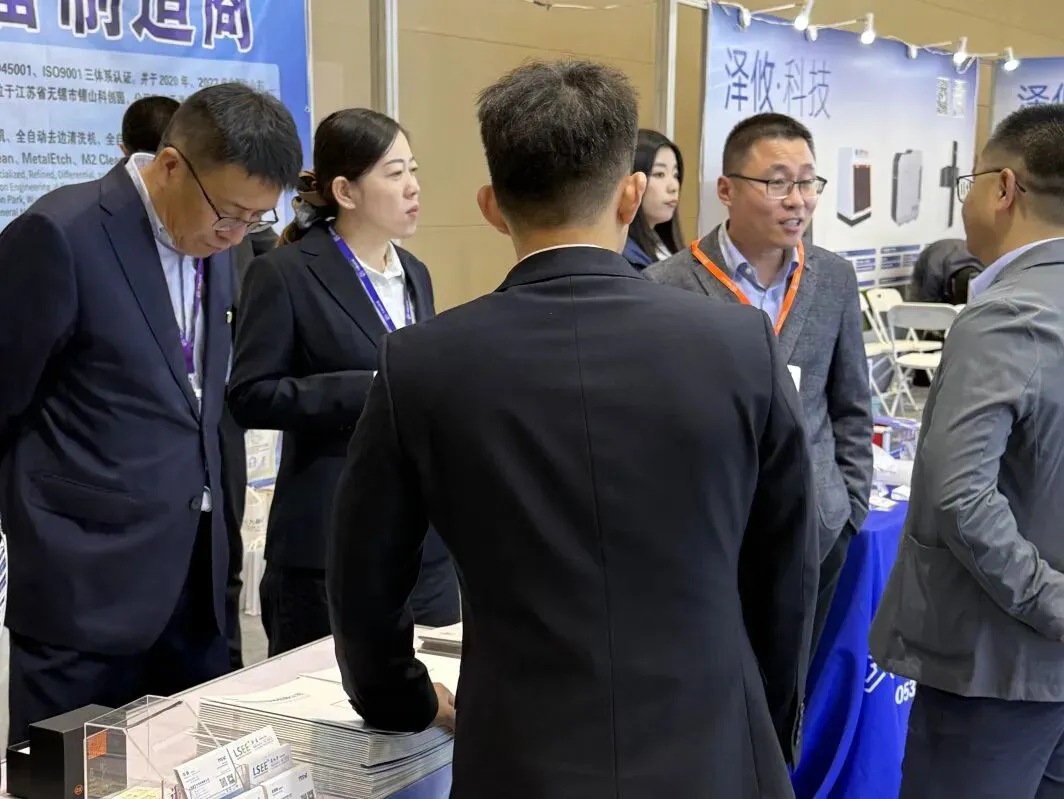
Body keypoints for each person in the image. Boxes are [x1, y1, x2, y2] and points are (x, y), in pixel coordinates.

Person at [327, 60, 819, 799]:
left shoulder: (422, 363)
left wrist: (400, 696)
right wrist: (766, 730)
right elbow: (786, 574)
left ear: (492, 206)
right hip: (711, 743)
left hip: (518, 753)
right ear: (631, 195)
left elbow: (364, 581)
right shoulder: (741, 345)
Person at [0, 82, 302, 744]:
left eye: (254, 220)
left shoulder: (221, 244)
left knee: (182, 765)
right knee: (71, 777)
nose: (236, 234)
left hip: (196, 582)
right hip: (84, 587)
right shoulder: (62, 234)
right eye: (229, 214)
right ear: (170, 165)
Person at [869, 104, 1064, 798]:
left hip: (995, 665)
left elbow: (960, 494)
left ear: (1004, 187)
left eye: (970, 181)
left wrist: (1051, 601)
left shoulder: (1007, 314)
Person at [228, 109, 460, 658]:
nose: (413, 187)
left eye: (413, 170)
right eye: (395, 173)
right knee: (327, 699)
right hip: (327, 544)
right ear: (345, 191)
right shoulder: (284, 273)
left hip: (424, 544)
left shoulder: (415, 272)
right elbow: (250, 395)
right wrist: (371, 388)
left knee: (438, 695)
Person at [646, 112, 872, 655]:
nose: (798, 201)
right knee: (716, 682)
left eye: (808, 182)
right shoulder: (666, 285)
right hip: (709, 540)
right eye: (777, 183)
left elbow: (850, 403)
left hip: (817, 533)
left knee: (794, 685)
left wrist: (848, 506)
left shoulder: (833, 278)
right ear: (726, 190)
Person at [622, 129, 684, 268]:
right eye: (659, 174)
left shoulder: (663, 246)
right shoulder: (626, 258)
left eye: (675, 175)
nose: (673, 187)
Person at [907, 237, 983, 306]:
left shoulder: (983, 266)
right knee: (920, 303)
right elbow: (928, 303)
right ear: (952, 283)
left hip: (955, 254)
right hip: (932, 257)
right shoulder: (934, 274)